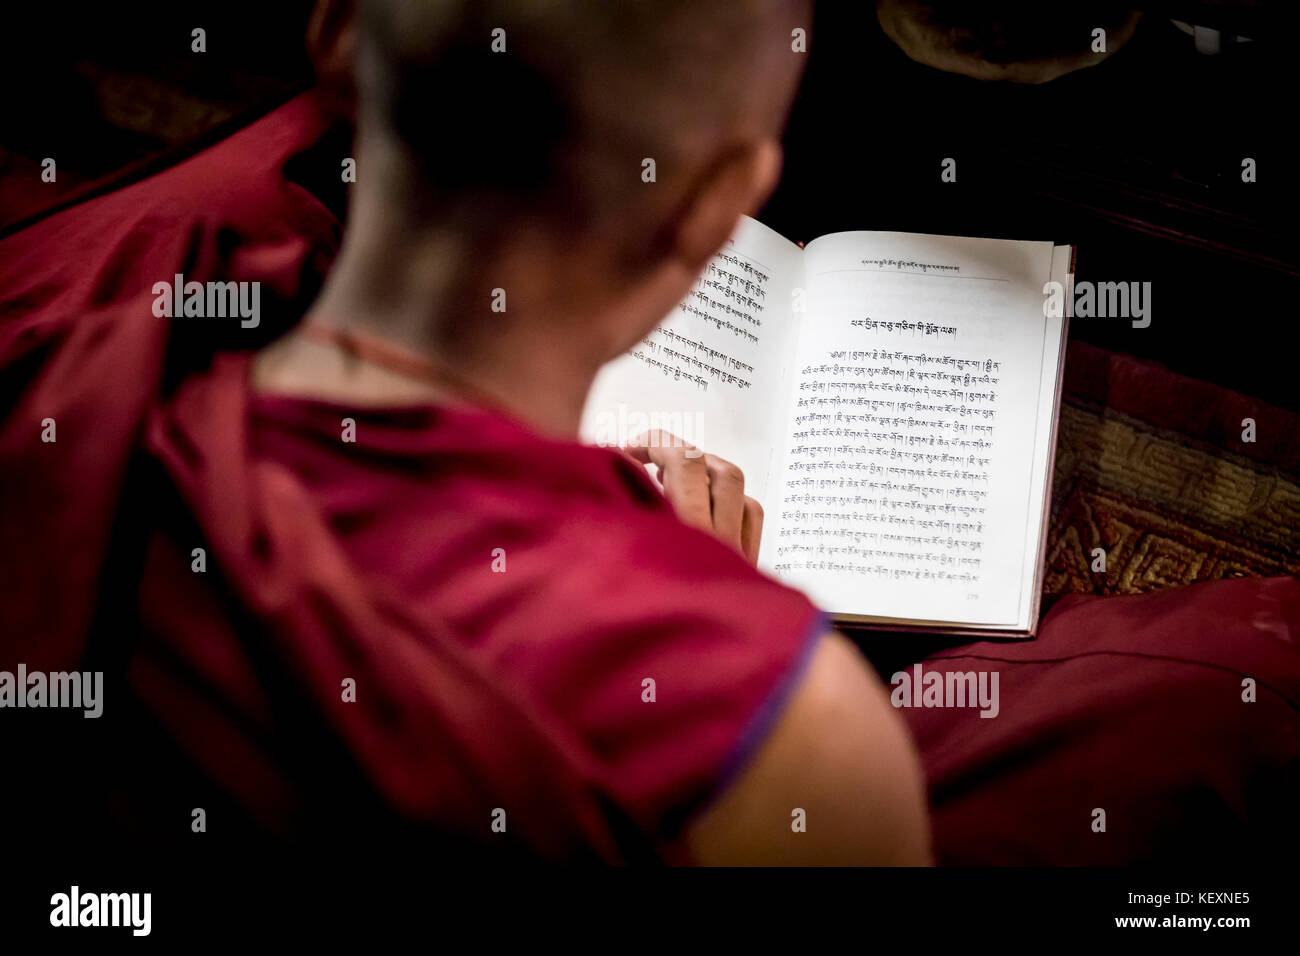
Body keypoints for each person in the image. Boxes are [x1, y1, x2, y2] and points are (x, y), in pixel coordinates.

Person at [1, 0, 930, 865]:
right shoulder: (784, 734)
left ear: (335, 33)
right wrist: (688, 626)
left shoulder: (53, 399)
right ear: (718, 207)